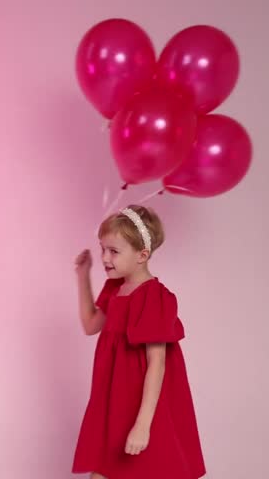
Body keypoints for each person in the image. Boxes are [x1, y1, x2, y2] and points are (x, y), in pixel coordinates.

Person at [72, 205, 206, 479]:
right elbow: (90, 324)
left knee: (147, 468)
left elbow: (157, 364)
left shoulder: (154, 297)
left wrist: (143, 424)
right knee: (105, 468)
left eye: (114, 251)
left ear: (142, 255)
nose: (105, 258)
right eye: (103, 249)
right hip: (113, 398)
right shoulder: (115, 288)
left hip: (142, 402)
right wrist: (83, 276)